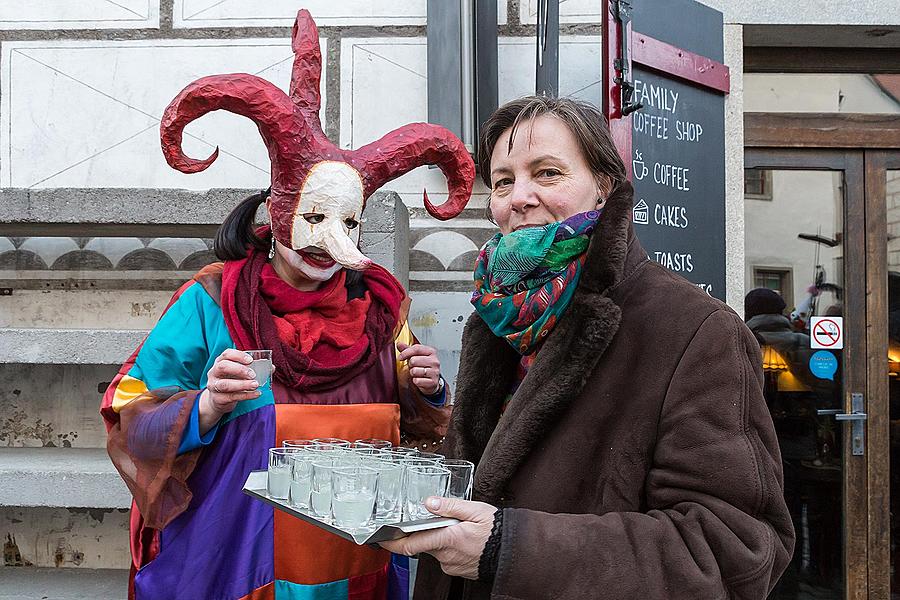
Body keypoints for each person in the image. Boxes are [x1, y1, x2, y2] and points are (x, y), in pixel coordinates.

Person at [100, 10, 475, 600]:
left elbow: (418, 430)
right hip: (236, 560)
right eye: (318, 217)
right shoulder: (212, 298)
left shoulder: (379, 307)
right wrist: (203, 406)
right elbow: (129, 409)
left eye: (350, 221)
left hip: (356, 566)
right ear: (279, 210)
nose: (335, 240)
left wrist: (425, 389)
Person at [381, 96, 795, 599]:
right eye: (505, 181)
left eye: (548, 173)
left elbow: (733, 551)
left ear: (603, 186)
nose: (520, 197)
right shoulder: (494, 321)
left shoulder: (697, 331)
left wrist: (510, 551)